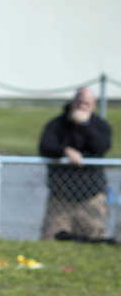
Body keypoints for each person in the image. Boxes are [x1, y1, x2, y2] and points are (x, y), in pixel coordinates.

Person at [38, 87, 113, 241]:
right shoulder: (57, 125)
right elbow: (45, 147)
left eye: (86, 103)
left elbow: (102, 146)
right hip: (61, 198)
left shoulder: (100, 126)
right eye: (79, 102)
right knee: (51, 239)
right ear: (73, 103)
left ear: (93, 106)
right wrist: (65, 151)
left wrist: (84, 125)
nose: (81, 106)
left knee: (95, 240)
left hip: (91, 197)